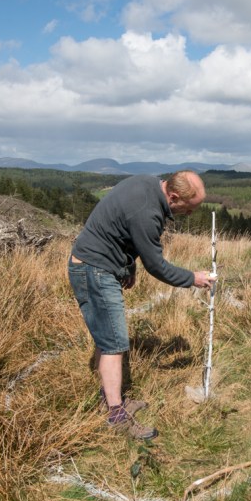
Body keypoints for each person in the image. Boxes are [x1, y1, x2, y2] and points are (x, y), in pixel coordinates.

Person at [68, 170, 214, 440]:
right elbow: (157, 266)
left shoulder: (148, 184)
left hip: (99, 266)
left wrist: (128, 265)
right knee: (114, 342)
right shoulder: (148, 213)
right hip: (94, 270)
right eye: (189, 208)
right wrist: (193, 278)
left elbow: (122, 231)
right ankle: (116, 416)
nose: (190, 214)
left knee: (107, 336)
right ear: (173, 196)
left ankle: (112, 399)